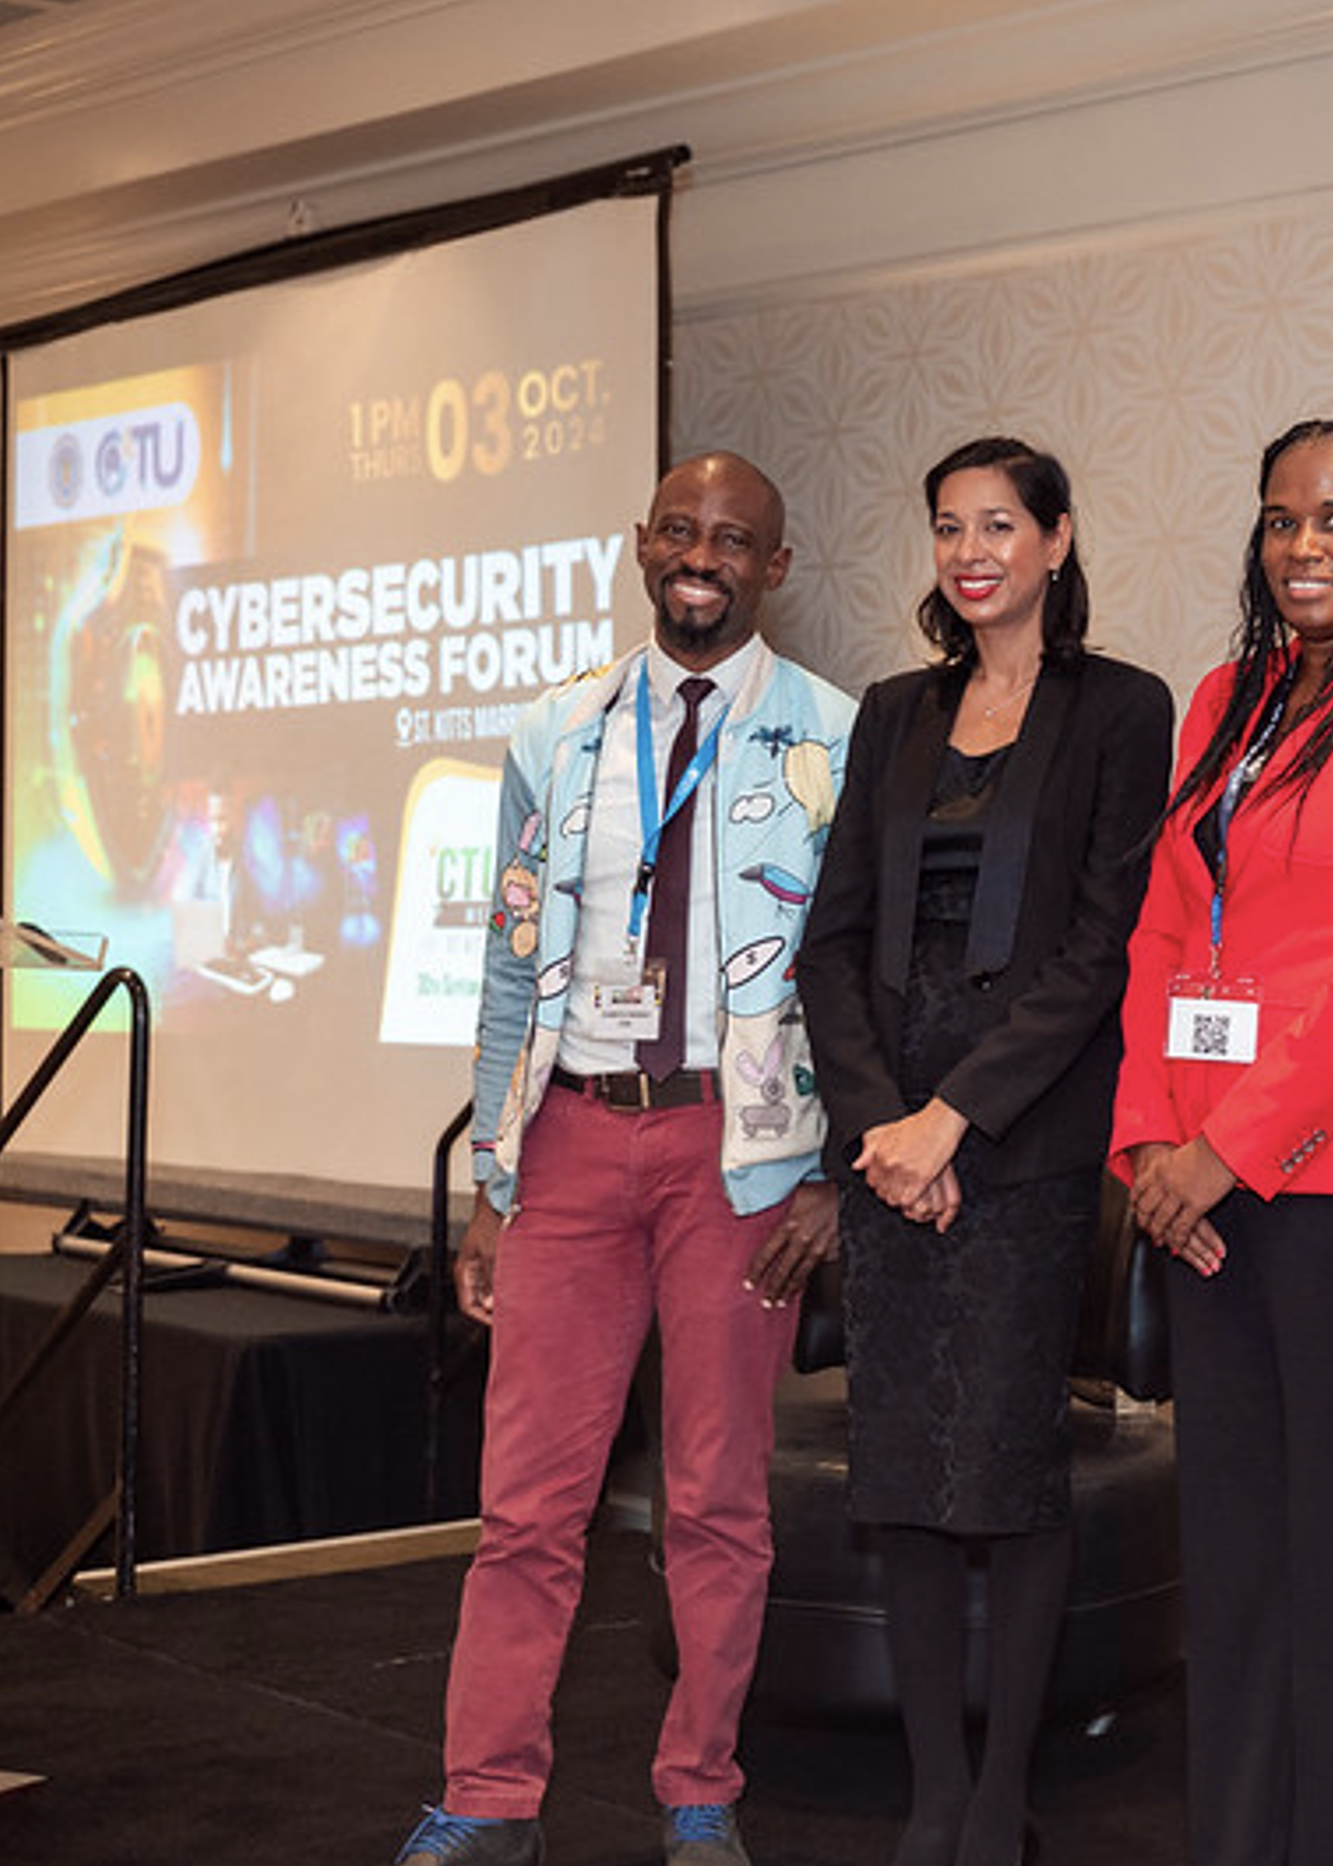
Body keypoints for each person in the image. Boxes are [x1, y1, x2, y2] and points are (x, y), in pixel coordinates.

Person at [395, 451, 855, 1866]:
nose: (700, 554)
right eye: (678, 529)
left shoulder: (837, 739)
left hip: (746, 1159)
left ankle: (699, 1783)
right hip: (572, 1136)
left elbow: (853, 979)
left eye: (733, 537)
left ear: (775, 566)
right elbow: (508, 957)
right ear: (641, 544)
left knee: (718, 1496)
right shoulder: (554, 732)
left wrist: (831, 1172)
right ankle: (486, 1795)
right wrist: (491, 1174)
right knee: (529, 1501)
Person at [796, 438, 1171, 1866]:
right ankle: (933, 1789)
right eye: (949, 526)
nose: (971, 551)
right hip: (886, 1135)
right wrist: (882, 1124)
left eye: (1000, 524)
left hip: (1021, 1139)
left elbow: (1101, 946)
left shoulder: (1120, 709)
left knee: (1007, 1476)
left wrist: (959, 1117)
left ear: (1058, 540)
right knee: (903, 1474)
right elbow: (831, 940)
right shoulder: (893, 710)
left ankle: (1004, 1787)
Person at [1110, 415, 1333, 1866]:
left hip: (1328, 1194)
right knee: (1236, 1563)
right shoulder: (1225, 695)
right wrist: (1148, 1149)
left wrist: (1239, 1144)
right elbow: (1157, 926)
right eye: (1282, 520)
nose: (1305, 547)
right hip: (1196, 1199)